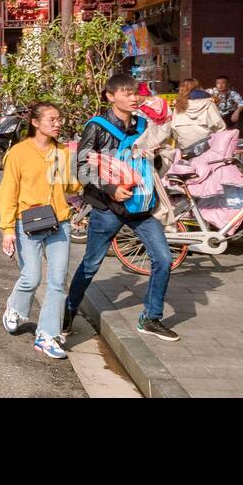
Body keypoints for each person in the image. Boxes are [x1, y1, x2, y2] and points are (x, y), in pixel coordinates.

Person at [65, 73, 179, 343]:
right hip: (107, 208)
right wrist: (110, 188)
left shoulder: (144, 125)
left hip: (140, 206)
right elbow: (80, 168)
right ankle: (68, 311)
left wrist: (161, 155)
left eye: (135, 92)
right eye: (126, 93)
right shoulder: (98, 127)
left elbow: (156, 165)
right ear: (110, 96)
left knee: (163, 259)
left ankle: (151, 318)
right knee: (91, 264)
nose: (133, 97)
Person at [0, 102, 81, 359]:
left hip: (59, 222)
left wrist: (83, 177)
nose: (58, 124)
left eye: (59, 119)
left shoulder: (62, 152)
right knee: (31, 277)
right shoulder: (19, 153)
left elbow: (69, 186)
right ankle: (15, 306)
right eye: (52, 119)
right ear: (35, 122)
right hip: (28, 223)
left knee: (58, 281)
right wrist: (7, 228)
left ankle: (47, 335)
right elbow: (8, 191)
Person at [170, 78, 226, 151]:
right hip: (206, 147)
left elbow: (173, 128)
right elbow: (220, 126)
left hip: (185, 147)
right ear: (199, 88)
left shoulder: (178, 105)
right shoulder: (209, 103)